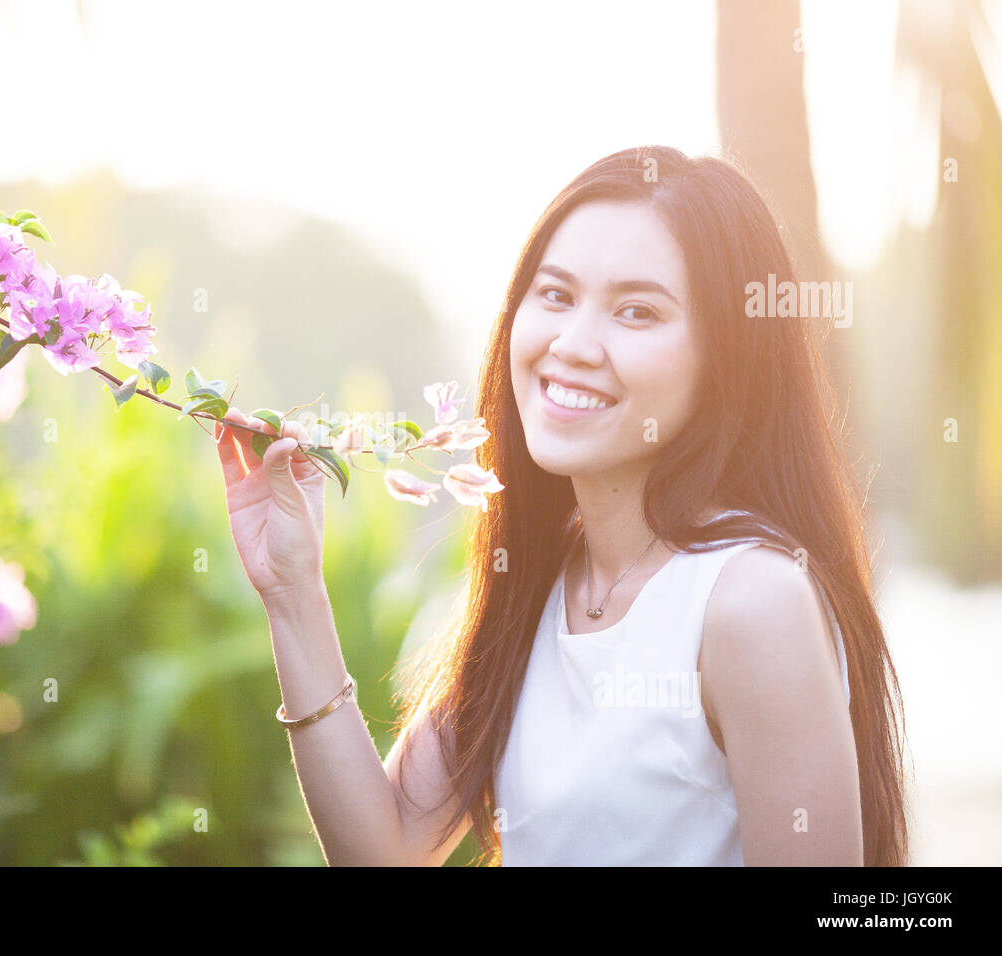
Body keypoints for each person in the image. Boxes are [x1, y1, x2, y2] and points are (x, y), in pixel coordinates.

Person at [212, 145, 908, 866]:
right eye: (555, 295)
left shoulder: (751, 602)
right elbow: (383, 853)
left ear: (726, 357)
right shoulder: (539, 582)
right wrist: (293, 590)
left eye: (637, 312)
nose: (573, 345)